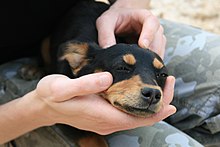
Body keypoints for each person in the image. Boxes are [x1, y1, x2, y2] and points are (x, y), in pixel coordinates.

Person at [0, 0, 205, 146]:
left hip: (111, 25)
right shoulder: (74, 56)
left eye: (158, 75)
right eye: (123, 68)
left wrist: (129, 7)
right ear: (79, 62)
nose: (152, 89)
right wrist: (42, 110)